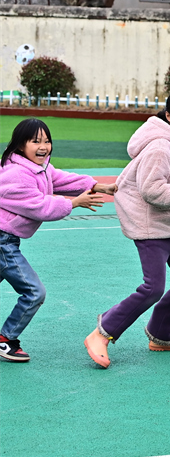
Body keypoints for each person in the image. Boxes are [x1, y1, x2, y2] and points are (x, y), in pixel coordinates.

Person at [84, 90, 170, 369]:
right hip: (150, 227)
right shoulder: (160, 146)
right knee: (152, 287)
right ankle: (101, 333)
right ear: (169, 116)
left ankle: (161, 333)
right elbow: (151, 189)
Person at [0, 119, 115, 362]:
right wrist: (73, 203)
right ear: (21, 146)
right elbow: (39, 206)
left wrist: (96, 185)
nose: (44, 146)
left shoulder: (38, 167)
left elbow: (62, 179)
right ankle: (6, 339)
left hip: (7, 239)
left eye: (47, 141)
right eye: (36, 141)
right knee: (34, 292)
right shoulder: (16, 175)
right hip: (3, 242)